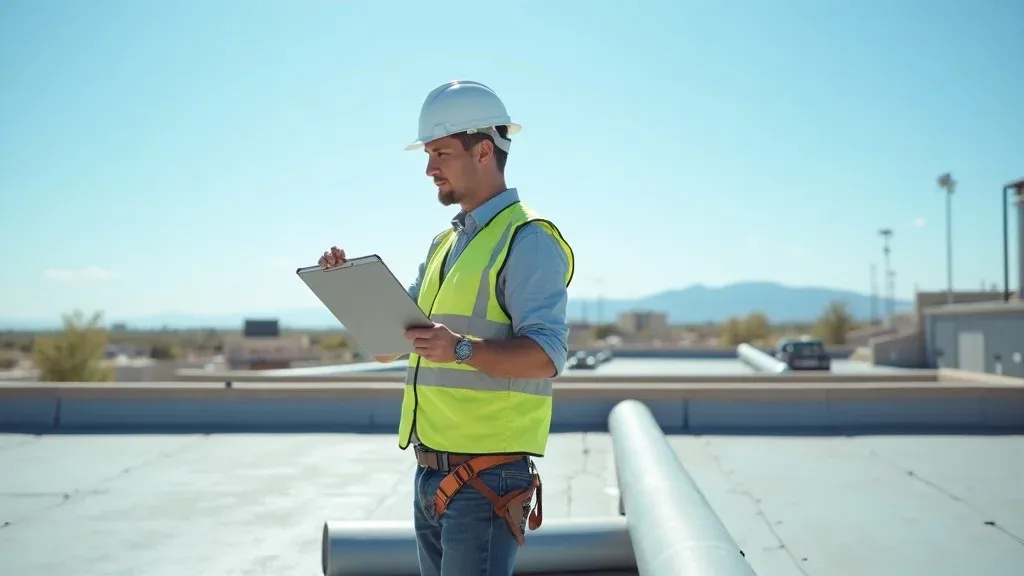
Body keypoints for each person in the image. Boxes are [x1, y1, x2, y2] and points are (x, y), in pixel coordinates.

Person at [317, 80, 574, 576]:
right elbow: (389, 347)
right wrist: (350, 290)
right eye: (428, 155)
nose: (429, 168)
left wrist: (459, 350)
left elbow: (548, 355)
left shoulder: (529, 239)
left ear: (484, 151)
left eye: (440, 153)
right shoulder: (445, 244)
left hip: (487, 480)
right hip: (430, 474)